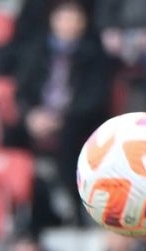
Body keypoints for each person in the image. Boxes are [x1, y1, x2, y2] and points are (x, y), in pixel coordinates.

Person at [9, 0, 116, 225]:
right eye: (63, 18)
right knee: (10, 133)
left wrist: (60, 118)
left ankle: (76, 209)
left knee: (71, 139)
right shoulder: (36, 51)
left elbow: (94, 99)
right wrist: (31, 116)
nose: (68, 24)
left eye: (73, 18)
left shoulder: (94, 55)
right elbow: (22, 91)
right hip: (40, 116)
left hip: (75, 121)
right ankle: (21, 209)